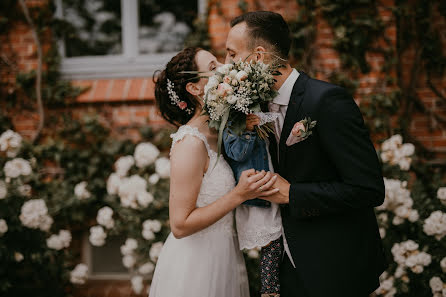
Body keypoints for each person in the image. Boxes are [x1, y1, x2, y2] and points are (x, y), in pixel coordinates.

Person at [225, 11, 387, 297]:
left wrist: (293, 194)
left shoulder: (327, 101)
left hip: (334, 267)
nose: (226, 66)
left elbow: (368, 189)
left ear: (257, 57)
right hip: (283, 268)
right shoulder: (249, 109)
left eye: (231, 55)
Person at [148, 47, 278, 297]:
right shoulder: (190, 142)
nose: (224, 67)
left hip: (224, 255)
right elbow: (179, 224)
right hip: (195, 265)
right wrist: (239, 195)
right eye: (212, 67)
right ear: (194, 89)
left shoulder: (223, 132)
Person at [223, 114, 283, 297]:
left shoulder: (264, 112)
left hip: (273, 183)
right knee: (269, 240)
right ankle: (269, 290)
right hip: (256, 191)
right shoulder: (231, 122)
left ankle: (272, 287)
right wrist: (247, 130)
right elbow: (237, 153)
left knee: (277, 239)